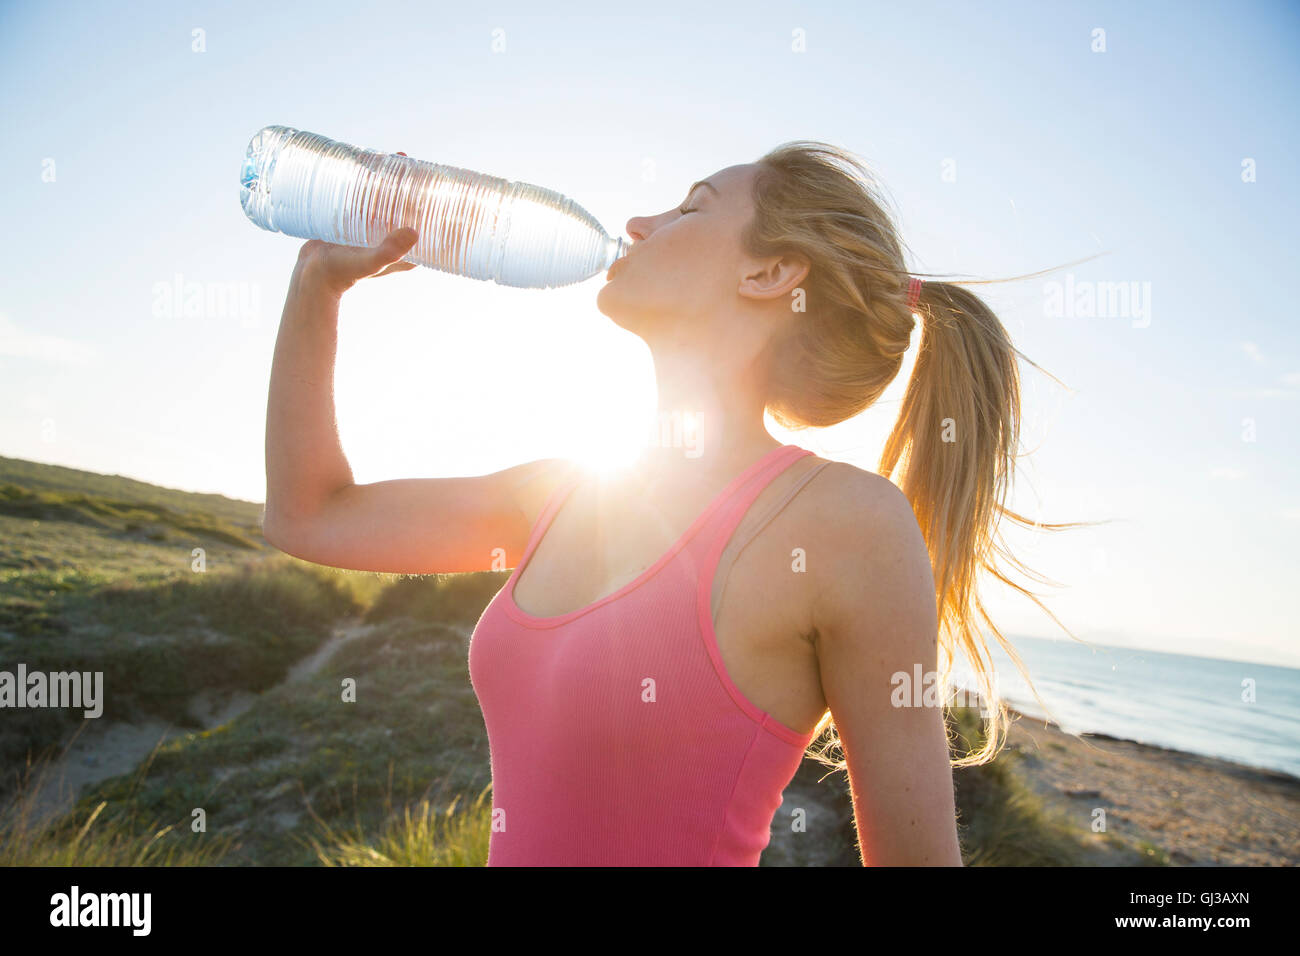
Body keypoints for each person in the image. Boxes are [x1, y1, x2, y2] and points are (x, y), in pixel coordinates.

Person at [263, 141, 1061, 866]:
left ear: (770, 274)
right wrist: (317, 284)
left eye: (692, 207)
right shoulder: (566, 490)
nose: (640, 223)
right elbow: (308, 515)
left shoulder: (844, 523)